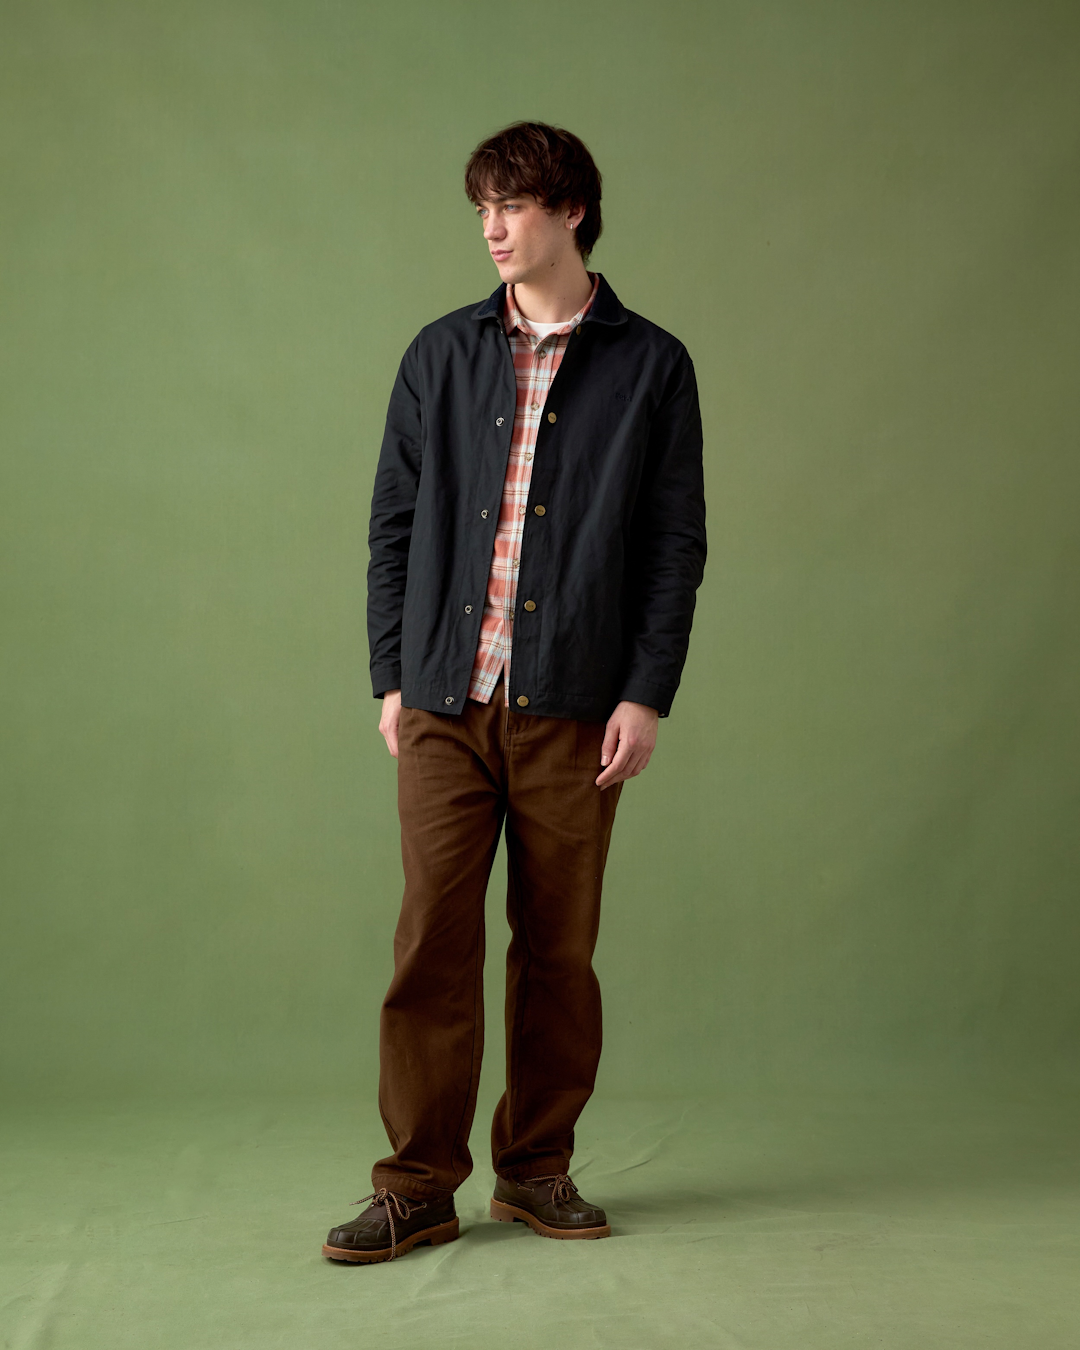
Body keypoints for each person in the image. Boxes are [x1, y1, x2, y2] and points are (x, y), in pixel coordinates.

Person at [321, 121, 706, 1264]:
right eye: (482, 205)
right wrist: (392, 672)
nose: (492, 226)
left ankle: (536, 1170)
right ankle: (417, 1186)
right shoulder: (439, 355)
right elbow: (392, 523)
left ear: (571, 212)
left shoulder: (651, 365)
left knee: (556, 949)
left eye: (514, 204)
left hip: (577, 702)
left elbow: (672, 544)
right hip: (445, 694)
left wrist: (645, 693)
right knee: (432, 939)